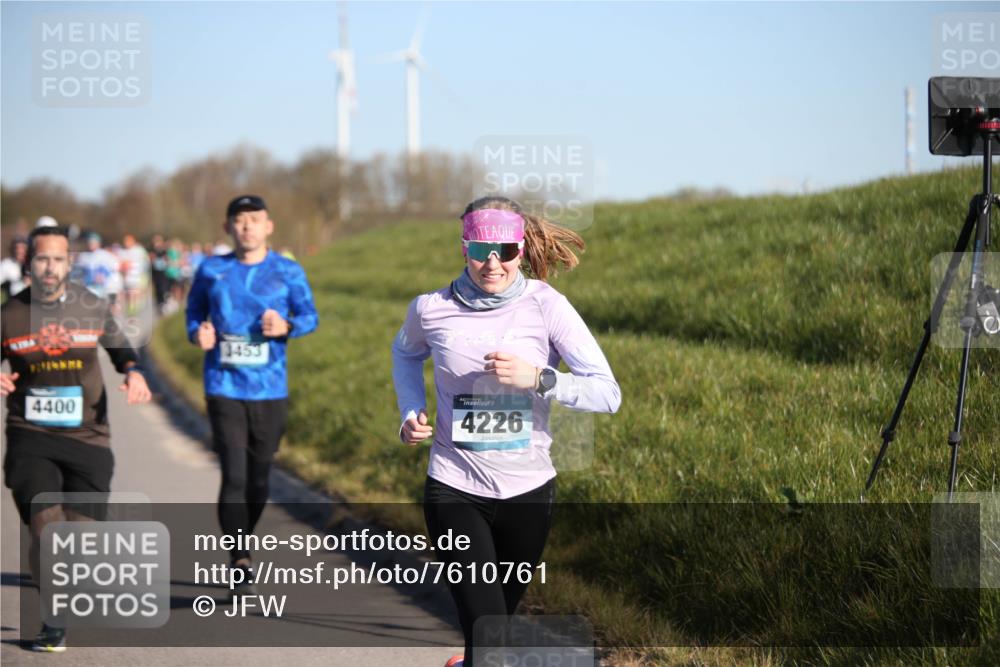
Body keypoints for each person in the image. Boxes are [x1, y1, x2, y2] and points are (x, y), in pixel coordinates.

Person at [391, 196, 621, 667]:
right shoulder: (430, 309)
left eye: (504, 251)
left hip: (528, 491)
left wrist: (539, 378)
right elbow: (405, 354)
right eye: (480, 250)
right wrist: (410, 410)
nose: (492, 263)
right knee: (489, 633)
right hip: (455, 485)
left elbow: (607, 393)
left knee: (495, 631)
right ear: (464, 247)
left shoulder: (547, 306)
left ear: (520, 247)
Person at [1, 225, 152, 652]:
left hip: (89, 436)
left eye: (58, 259)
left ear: (70, 262)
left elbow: (122, 351)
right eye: (42, 258)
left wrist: (134, 373)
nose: (49, 267)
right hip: (30, 433)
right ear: (29, 261)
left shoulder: (93, 306)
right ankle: (53, 616)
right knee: (45, 527)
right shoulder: (9, 313)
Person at [185, 194, 318, 592]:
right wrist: (198, 332)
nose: (247, 227)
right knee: (235, 473)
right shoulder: (212, 270)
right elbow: (194, 313)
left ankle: (244, 538)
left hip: (270, 386)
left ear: (268, 226)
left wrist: (287, 326)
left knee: (260, 479)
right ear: (227, 227)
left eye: (254, 220)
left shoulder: (288, 271)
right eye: (239, 220)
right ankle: (239, 558)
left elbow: (310, 316)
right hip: (223, 384)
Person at [71, 232, 123, 309]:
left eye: (93, 242)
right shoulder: (83, 256)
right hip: (87, 289)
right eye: (90, 242)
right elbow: (77, 273)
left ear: (98, 243)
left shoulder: (105, 255)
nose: (91, 244)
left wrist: (104, 275)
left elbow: (115, 268)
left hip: (102, 290)